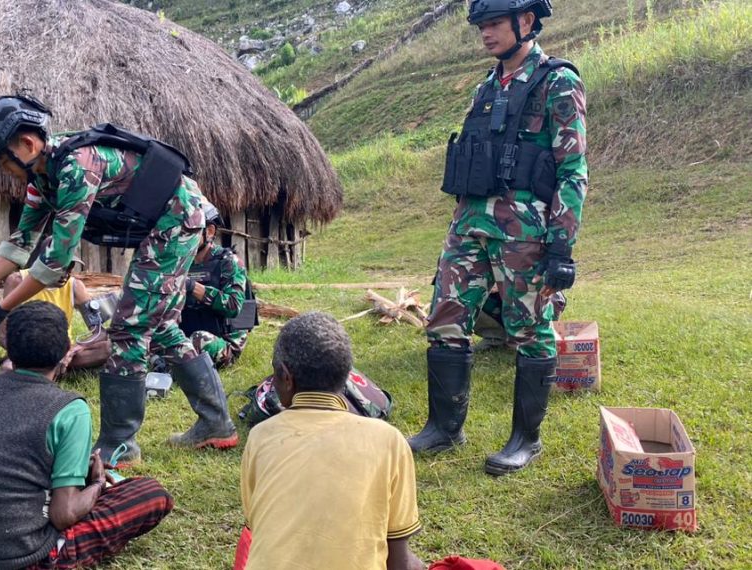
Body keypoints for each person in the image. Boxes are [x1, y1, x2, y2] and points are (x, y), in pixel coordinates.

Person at [0, 95, 238, 465]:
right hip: (161, 222)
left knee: (129, 328)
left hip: (178, 218)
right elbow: (21, 244)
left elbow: (56, 261)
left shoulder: (77, 168)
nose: (5, 171)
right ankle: (216, 423)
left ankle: (118, 444)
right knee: (159, 326)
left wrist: (0, 309)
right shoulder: (41, 179)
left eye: (3, 162)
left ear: (28, 145)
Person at [410, 0, 588, 476]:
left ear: (525, 21)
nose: (485, 34)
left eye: (493, 24)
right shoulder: (487, 86)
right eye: (481, 26)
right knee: (445, 319)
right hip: (469, 224)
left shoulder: (558, 81)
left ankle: (525, 440)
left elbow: (573, 170)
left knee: (530, 331)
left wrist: (561, 246)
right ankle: (444, 428)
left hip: (524, 230)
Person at [0, 301, 174, 569]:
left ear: (9, 350)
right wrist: (95, 484)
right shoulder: (70, 409)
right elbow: (64, 515)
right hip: (19, 559)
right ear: (67, 351)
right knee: (150, 493)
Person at [239, 312, 424, 570]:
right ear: (348, 375)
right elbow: (399, 560)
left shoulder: (262, 435)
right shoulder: (388, 440)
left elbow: (258, 528)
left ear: (286, 376)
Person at [0, 243, 111, 375]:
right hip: (26, 352)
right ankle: (54, 371)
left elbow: (100, 332)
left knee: (108, 348)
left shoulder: (75, 286)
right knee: (7, 369)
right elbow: (2, 336)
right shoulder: (17, 281)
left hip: (62, 352)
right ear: (42, 264)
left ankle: (52, 369)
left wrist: (73, 350)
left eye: (70, 267)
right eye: (60, 268)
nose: (66, 274)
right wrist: (33, 354)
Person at [176, 202, 254, 369]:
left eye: (189, 231)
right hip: (185, 334)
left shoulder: (228, 263)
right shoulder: (180, 263)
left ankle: (173, 367)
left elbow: (233, 306)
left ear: (209, 231)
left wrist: (192, 287)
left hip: (221, 342)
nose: (183, 237)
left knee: (199, 339)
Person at [474, 287, 566, 351]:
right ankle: (495, 336)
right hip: (494, 290)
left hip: (531, 284)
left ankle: (538, 336)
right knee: (468, 295)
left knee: (551, 295)